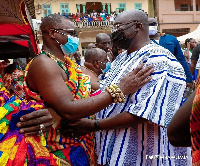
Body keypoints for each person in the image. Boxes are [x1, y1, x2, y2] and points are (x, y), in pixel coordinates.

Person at [0, 14, 154, 165]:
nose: (75, 38)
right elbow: (69, 110)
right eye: (71, 33)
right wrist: (119, 89)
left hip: (78, 144)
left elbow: (94, 86)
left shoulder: (67, 64)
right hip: (55, 150)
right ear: (53, 33)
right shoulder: (44, 64)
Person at [62, 10, 191, 165]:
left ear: (137, 26)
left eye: (118, 27)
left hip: (143, 154)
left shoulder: (159, 60)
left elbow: (143, 113)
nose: (114, 33)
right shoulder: (122, 58)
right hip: (113, 148)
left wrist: (94, 125)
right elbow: (105, 89)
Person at [148, 17, 193, 88]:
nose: (150, 26)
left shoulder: (171, 39)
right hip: (152, 79)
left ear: (157, 25)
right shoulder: (143, 42)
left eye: (152, 24)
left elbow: (181, 59)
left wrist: (188, 78)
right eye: (147, 25)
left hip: (172, 77)